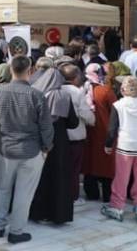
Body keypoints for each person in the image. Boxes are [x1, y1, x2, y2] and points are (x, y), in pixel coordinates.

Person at [0, 56, 53, 245]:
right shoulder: (37, 95)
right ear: (30, 70)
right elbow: (46, 126)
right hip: (31, 150)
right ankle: (16, 231)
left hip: (6, 148)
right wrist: (47, 147)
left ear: (11, 70)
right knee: (23, 193)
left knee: (2, 188)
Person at [29, 67, 79, 225]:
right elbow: (73, 122)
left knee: (40, 177)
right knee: (59, 177)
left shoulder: (36, 94)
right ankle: (58, 215)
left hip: (40, 139)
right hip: (60, 142)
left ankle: (38, 213)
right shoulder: (63, 96)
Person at [101, 77, 137, 225]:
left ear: (123, 89)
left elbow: (112, 129)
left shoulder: (118, 105)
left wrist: (108, 144)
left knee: (121, 177)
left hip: (126, 144)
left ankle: (117, 207)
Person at [59, 64, 96, 207]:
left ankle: (60, 194)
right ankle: (73, 196)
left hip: (59, 137)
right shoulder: (77, 92)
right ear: (75, 77)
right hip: (75, 137)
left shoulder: (56, 89)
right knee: (74, 169)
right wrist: (93, 120)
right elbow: (85, 114)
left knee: (61, 168)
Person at [82, 63, 118, 202]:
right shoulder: (106, 91)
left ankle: (91, 194)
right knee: (105, 164)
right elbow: (115, 112)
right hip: (104, 132)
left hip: (88, 132)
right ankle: (107, 196)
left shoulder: (83, 89)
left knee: (89, 163)